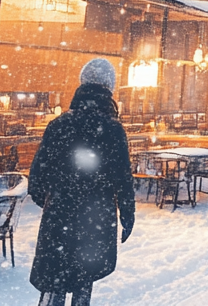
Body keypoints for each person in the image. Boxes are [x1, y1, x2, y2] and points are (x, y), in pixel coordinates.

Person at [29, 59, 135, 306]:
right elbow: (123, 178)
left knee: (54, 277)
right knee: (83, 279)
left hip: (60, 214)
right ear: (109, 88)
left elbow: (37, 175)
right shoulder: (113, 129)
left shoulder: (59, 125)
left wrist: (50, 199)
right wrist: (127, 214)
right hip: (95, 216)